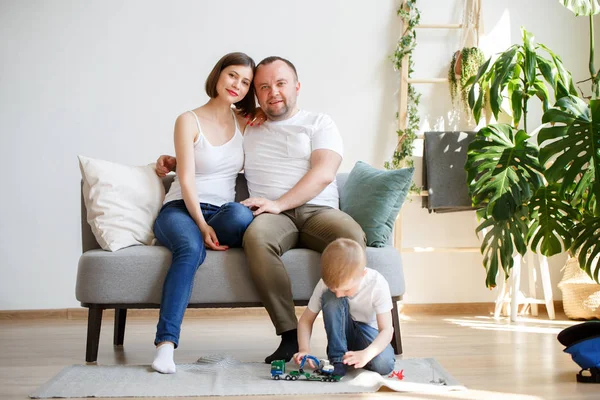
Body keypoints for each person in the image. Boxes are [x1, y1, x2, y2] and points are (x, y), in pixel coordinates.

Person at [156, 56, 366, 364]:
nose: (273, 93)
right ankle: (290, 336)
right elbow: (203, 153)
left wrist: (279, 202)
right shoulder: (249, 124)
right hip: (268, 217)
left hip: (316, 210)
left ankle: (358, 332)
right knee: (255, 238)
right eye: (263, 87)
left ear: (296, 86)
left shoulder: (317, 122)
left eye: (280, 84)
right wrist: (171, 161)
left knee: (350, 236)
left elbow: (324, 173)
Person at [151, 52, 258, 374]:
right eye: (232, 76)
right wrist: (200, 225)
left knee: (241, 216)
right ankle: (165, 347)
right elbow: (185, 179)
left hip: (221, 212)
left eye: (245, 82)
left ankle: (211, 232)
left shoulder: (246, 121)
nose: (237, 85)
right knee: (189, 249)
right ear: (218, 75)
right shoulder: (188, 120)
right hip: (181, 210)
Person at [293, 238, 395, 377]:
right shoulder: (324, 284)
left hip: (366, 334)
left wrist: (367, 354)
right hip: (340, 333)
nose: (340, 295)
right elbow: (305, 320)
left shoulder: (377, 284)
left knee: (384, 365)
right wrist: (304, 349)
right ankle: (338, 359)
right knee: (330, 297)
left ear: (362, 274)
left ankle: (356, 356)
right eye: (334, 289)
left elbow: (387, 330)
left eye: (346, 290)